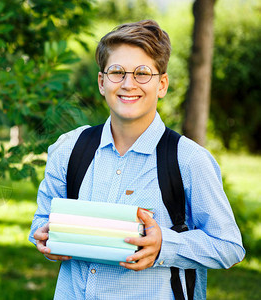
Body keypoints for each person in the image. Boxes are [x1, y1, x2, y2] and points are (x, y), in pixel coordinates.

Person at [29, 20, 245, 299]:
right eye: (117, 72)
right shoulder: (68, 149)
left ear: (162, 84)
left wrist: (164, 247)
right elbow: (41, 221)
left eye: (142, 73)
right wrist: (45, 237)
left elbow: (228, 246)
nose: (128, 84)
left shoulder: (189, 160)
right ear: (101, 82)